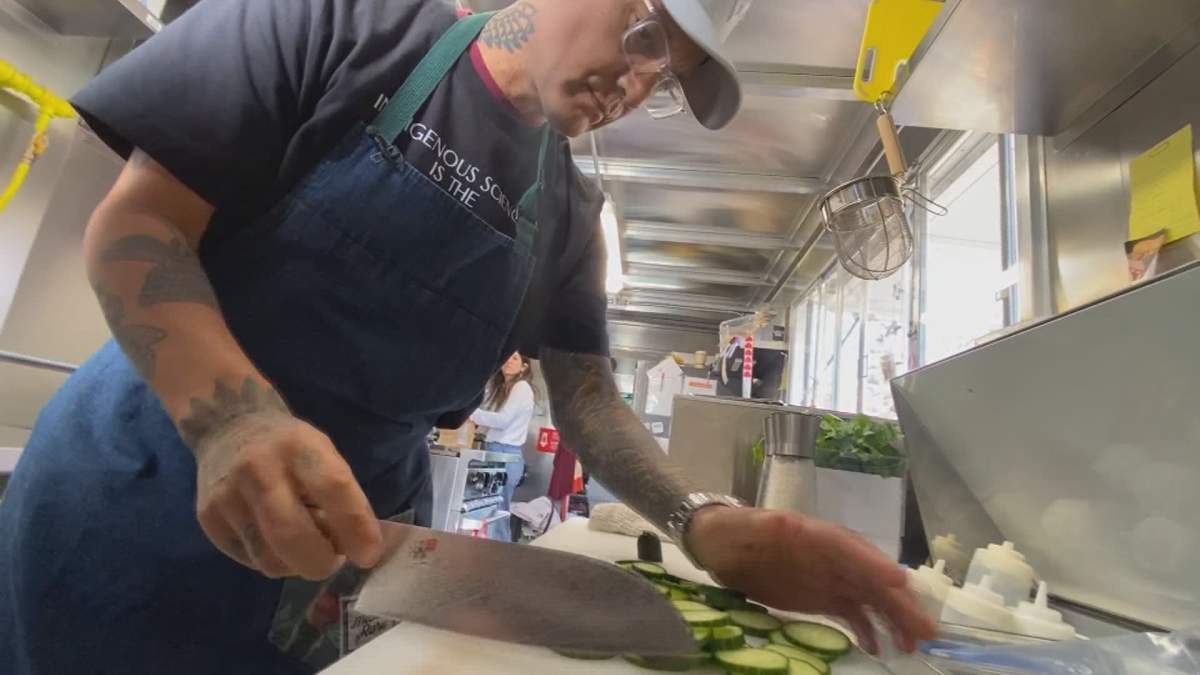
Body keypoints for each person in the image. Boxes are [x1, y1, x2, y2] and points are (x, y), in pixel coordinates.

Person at [0, 1, 935, 673]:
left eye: (665, 80)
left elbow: (588, 398)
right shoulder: (341, 22)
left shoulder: (572, 212)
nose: (636, 84)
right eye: (646, 35)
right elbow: (141, 226)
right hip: (139, 499)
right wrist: (233, 423)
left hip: (348, 566)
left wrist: (699, 518)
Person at [469, 352, 537, 542]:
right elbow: (491, 425)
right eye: (507, 356)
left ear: (524, 366)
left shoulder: (521, 387)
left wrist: (470, 413)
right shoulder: (505, 388)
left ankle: (499, 552)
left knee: (497, 514)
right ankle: (492, 551)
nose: (509, 361)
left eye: (515, 358)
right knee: (493, 512)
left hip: (505, 454)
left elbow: (502, 421)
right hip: (497, 452)